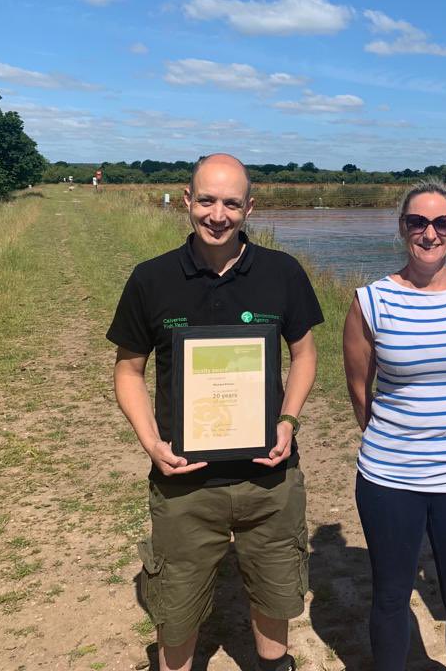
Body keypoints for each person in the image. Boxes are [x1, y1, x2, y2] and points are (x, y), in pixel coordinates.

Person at [107, 153, 322, 671]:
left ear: (250, 207)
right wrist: (151, 443)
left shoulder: (283, 272)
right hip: (184, 480)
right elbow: (128, 371)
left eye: (231, 203)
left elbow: (305, 354)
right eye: (206, 200)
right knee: (176, 612)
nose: (218, 215)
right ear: (187, 200)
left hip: (269, 476)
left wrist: (288, 421)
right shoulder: (151, 278)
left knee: (275, 596)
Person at [342, 179, 446, 671]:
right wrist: (398, 438)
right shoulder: (370, 301)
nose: (430, 234)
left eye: (442, 223)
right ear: (402, 228)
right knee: (391, 595)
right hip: (389, 476)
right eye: (418, 222)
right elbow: (360, 391)